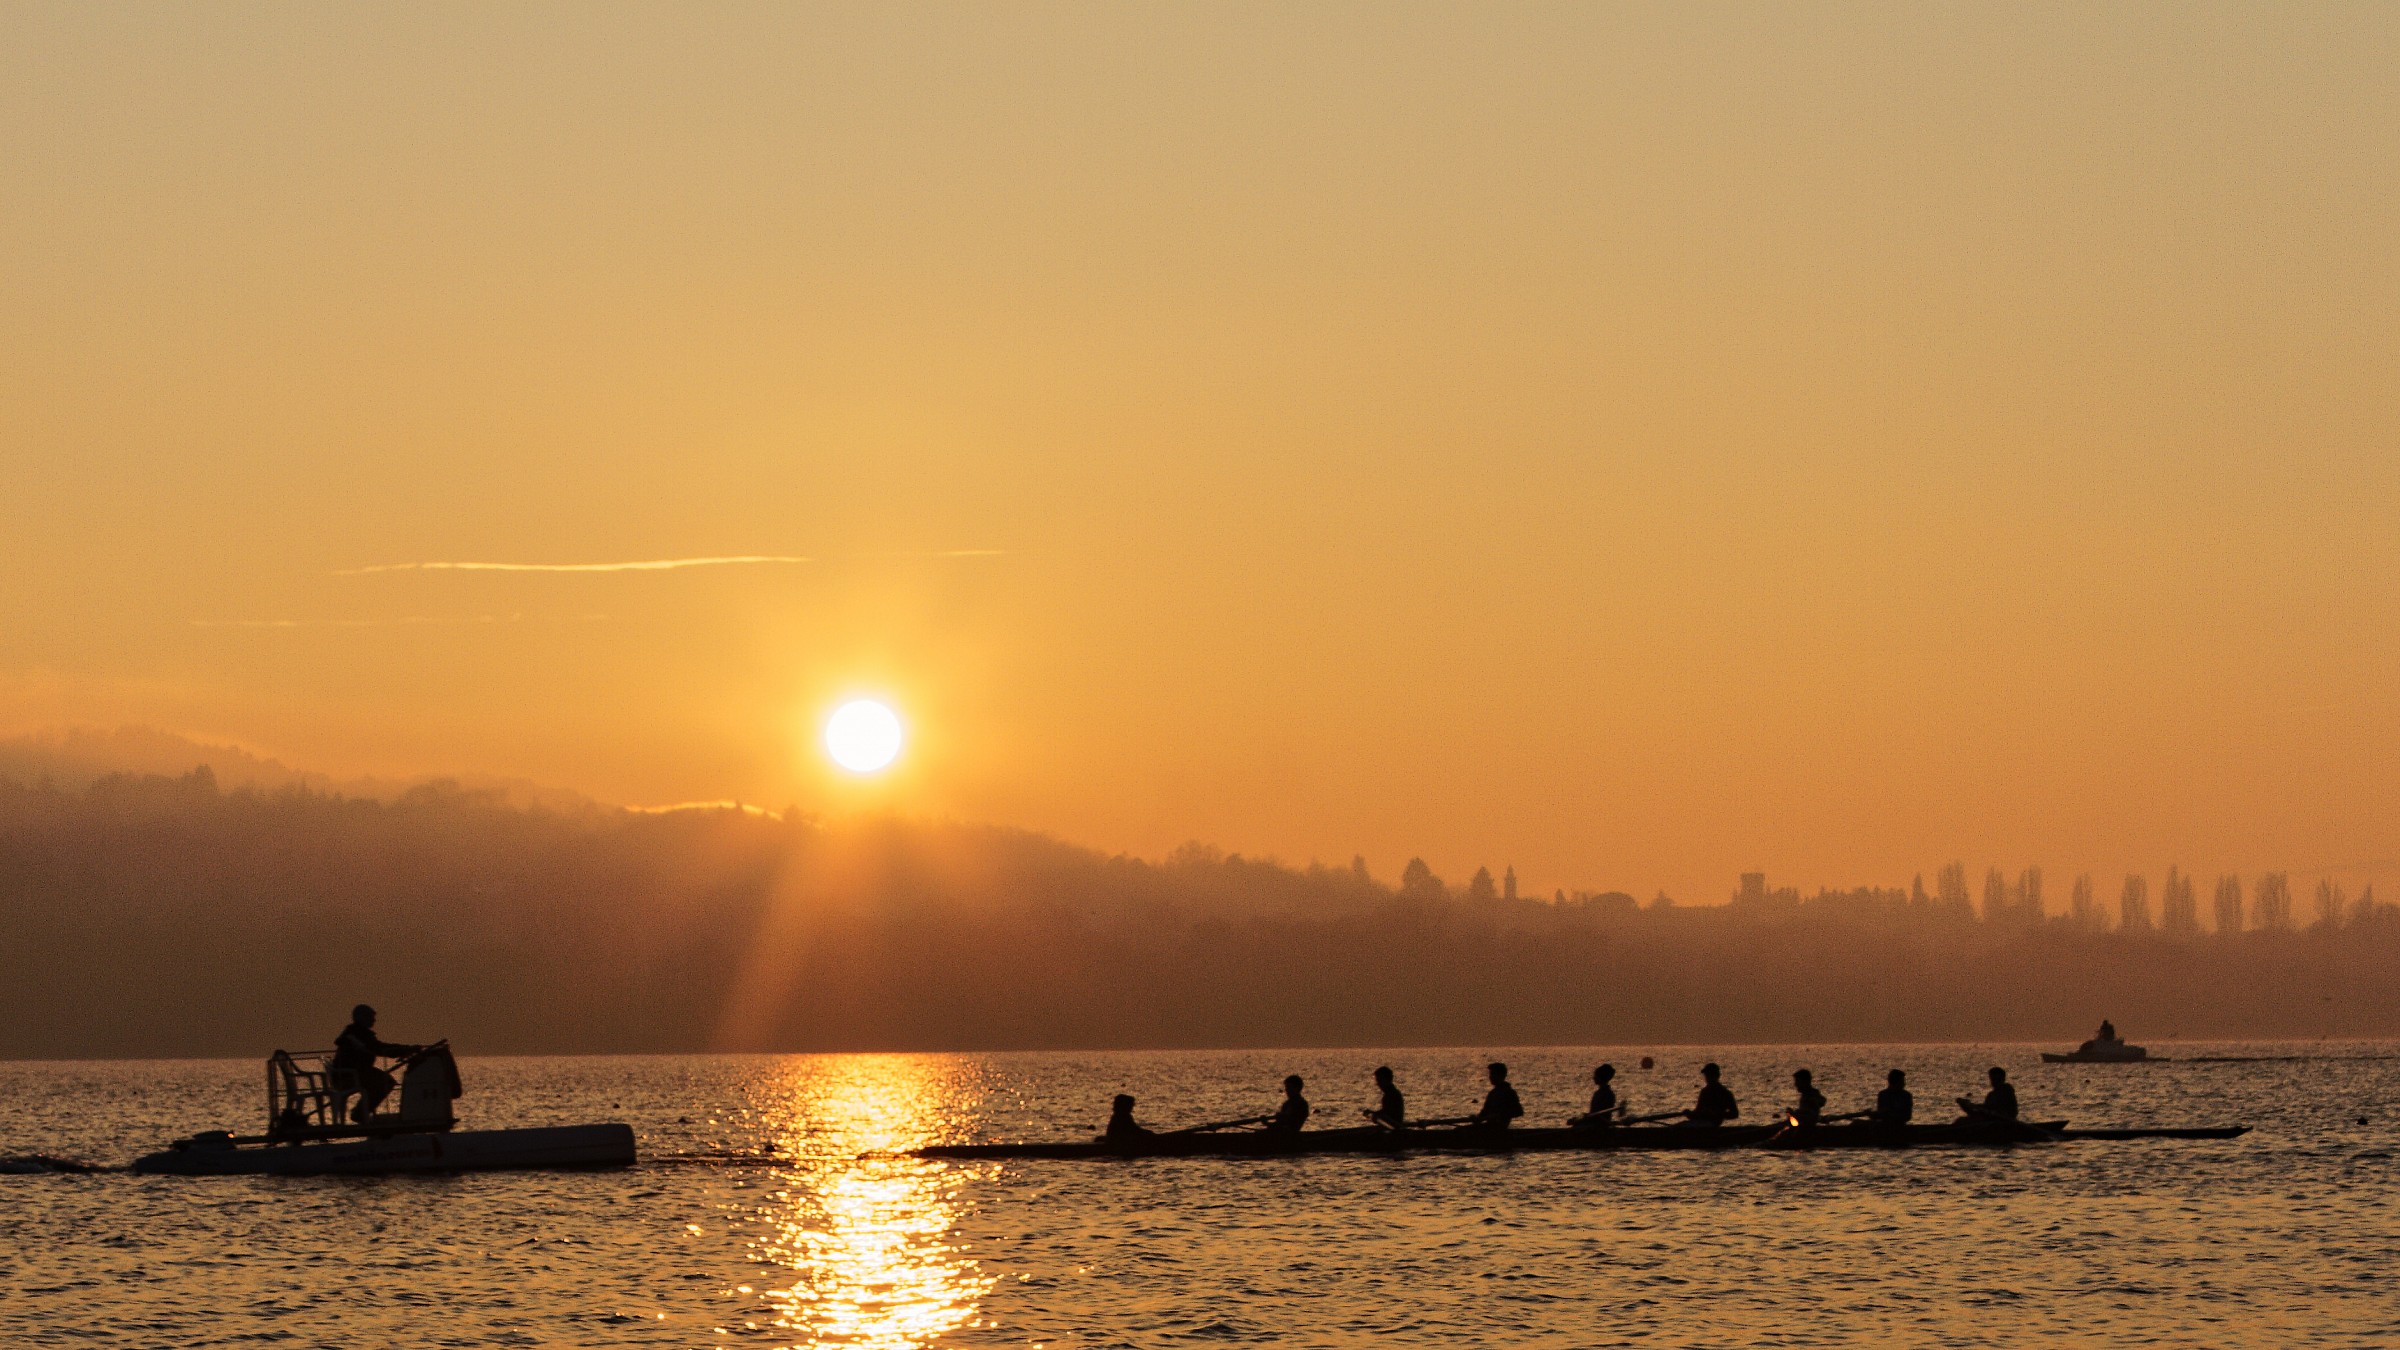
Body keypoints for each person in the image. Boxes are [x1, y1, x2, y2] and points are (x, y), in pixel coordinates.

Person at [331, 1004, 421, 1125]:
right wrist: (405, 1049)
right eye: (370, 1017)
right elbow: (378, 1049)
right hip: (348, 1076)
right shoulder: (357, 1036)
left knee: (382, 1081)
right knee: (387, 1082)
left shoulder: (356, 1033)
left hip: (352, 1073)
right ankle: (360, 1113)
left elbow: (379, 1046)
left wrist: (404, 1049)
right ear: (362, 1018)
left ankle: (361, 1111)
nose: (374, 1020)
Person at [1475, 1062, 1524, 1129]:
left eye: (1492, 1074)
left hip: (1499, 1129)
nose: (1490, 1077)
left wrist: (1500, 1115)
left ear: (1500, 1075)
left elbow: (1518, 1111)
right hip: (1489, 1127)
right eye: (1490, 1074)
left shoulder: (1509, 1093)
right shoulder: (1492, 1093)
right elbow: (1484, 1112)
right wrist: (1477, 1118)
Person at [1571, 1064, 1619, 1128]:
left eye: (1595, 1076)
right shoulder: (1604, 1093)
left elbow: (1598, 1115)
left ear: (1600, 1077)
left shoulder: (1606, 1094)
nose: (1593, 1078)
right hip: (1596, 1121)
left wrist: (1585, 1118)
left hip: (1599, 1125)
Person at [1367, 1066, 1407, 1130]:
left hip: (1395, 1131)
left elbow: (1388, 1114)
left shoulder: (1392, 1095)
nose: (1378, 1084)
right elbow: (1386, 1112)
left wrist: (1375, 1114)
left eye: (1379, 1080)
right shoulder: (1391, 1094)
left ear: (1386, 1080)